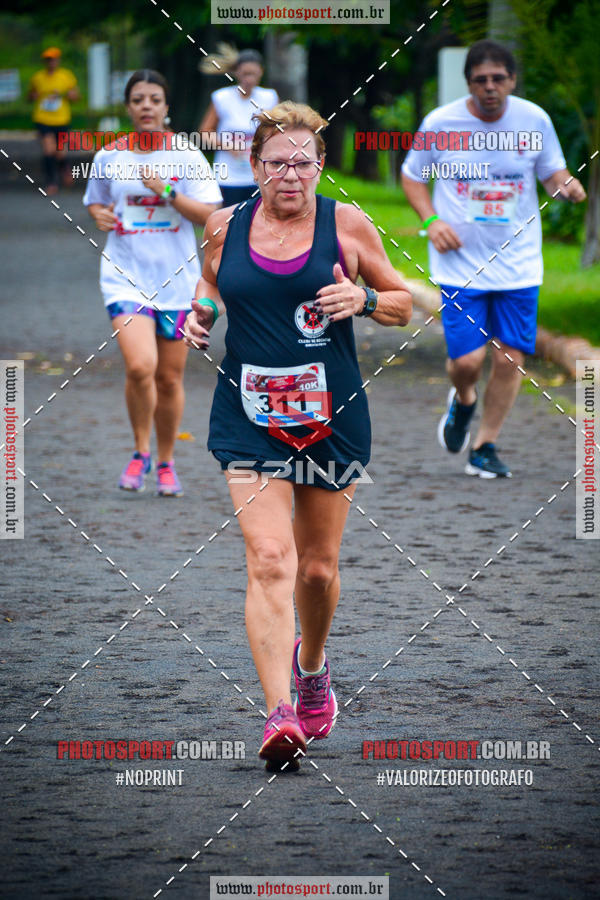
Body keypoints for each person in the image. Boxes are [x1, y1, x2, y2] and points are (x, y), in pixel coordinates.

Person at [183, 101, 412, 765]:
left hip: (330, 418)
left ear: (320, 166)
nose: (291, 173)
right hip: (249, 416)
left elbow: (404, 301)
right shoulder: (226, 226)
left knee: (316, 568)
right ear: (255, 166)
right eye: (277, 162)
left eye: (303, 162)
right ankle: (278, 713)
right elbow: (209, 287)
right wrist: (198, 318)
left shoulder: (348, 225)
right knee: (271, 559)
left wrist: (364, 301)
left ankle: (311, 667)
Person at [401, 40, 586, 478]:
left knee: (509, 359)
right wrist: (431, 221)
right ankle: (463, 400)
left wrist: (567, 186)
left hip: (519, 261)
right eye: (481, 80)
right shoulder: (441, 123)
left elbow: (551, 173)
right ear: (468, 83)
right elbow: (412, 178)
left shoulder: (533, 119)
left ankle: (485, 446)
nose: (490, 88)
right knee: (467, 362)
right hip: (460, 262)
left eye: (498, 79)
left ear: (512, 80)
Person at [83, 70, 222, 496]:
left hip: (177, 282)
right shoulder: (109, 156)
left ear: (166, 108)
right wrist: (99, 216)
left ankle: (165, 461)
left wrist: (167, 192)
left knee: (169, 378)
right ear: (128, 107)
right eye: (138, 99)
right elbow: (97, 202)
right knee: (141, 367)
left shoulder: (186, 157)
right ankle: (139, 451)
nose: (146, 106)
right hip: (125, 278)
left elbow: (212, 218)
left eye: (154, 99)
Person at [199, 46, 278, 207]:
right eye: (245, 74)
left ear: (261, 72)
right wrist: (228, 145)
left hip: (259, 175)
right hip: (228, 177)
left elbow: (278, 132)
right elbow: (205, 132)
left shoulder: (269, 97)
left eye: (253, 74)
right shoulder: (222, 97)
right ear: (236, 73)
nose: (249, 79)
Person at [28, 47, 80, 195]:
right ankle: (51, 182)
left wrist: (70, 95)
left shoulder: (66, 76)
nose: (51, 62)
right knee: (48, 150)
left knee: (60, 153)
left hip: (62, 119)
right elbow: (29, 96)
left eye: (53, 59)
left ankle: (65, 170)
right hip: (43, 118)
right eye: (48, 59)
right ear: (45, 61)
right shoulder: (37, 77)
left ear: (58, 60)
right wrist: (34, 95)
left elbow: (76, 97)